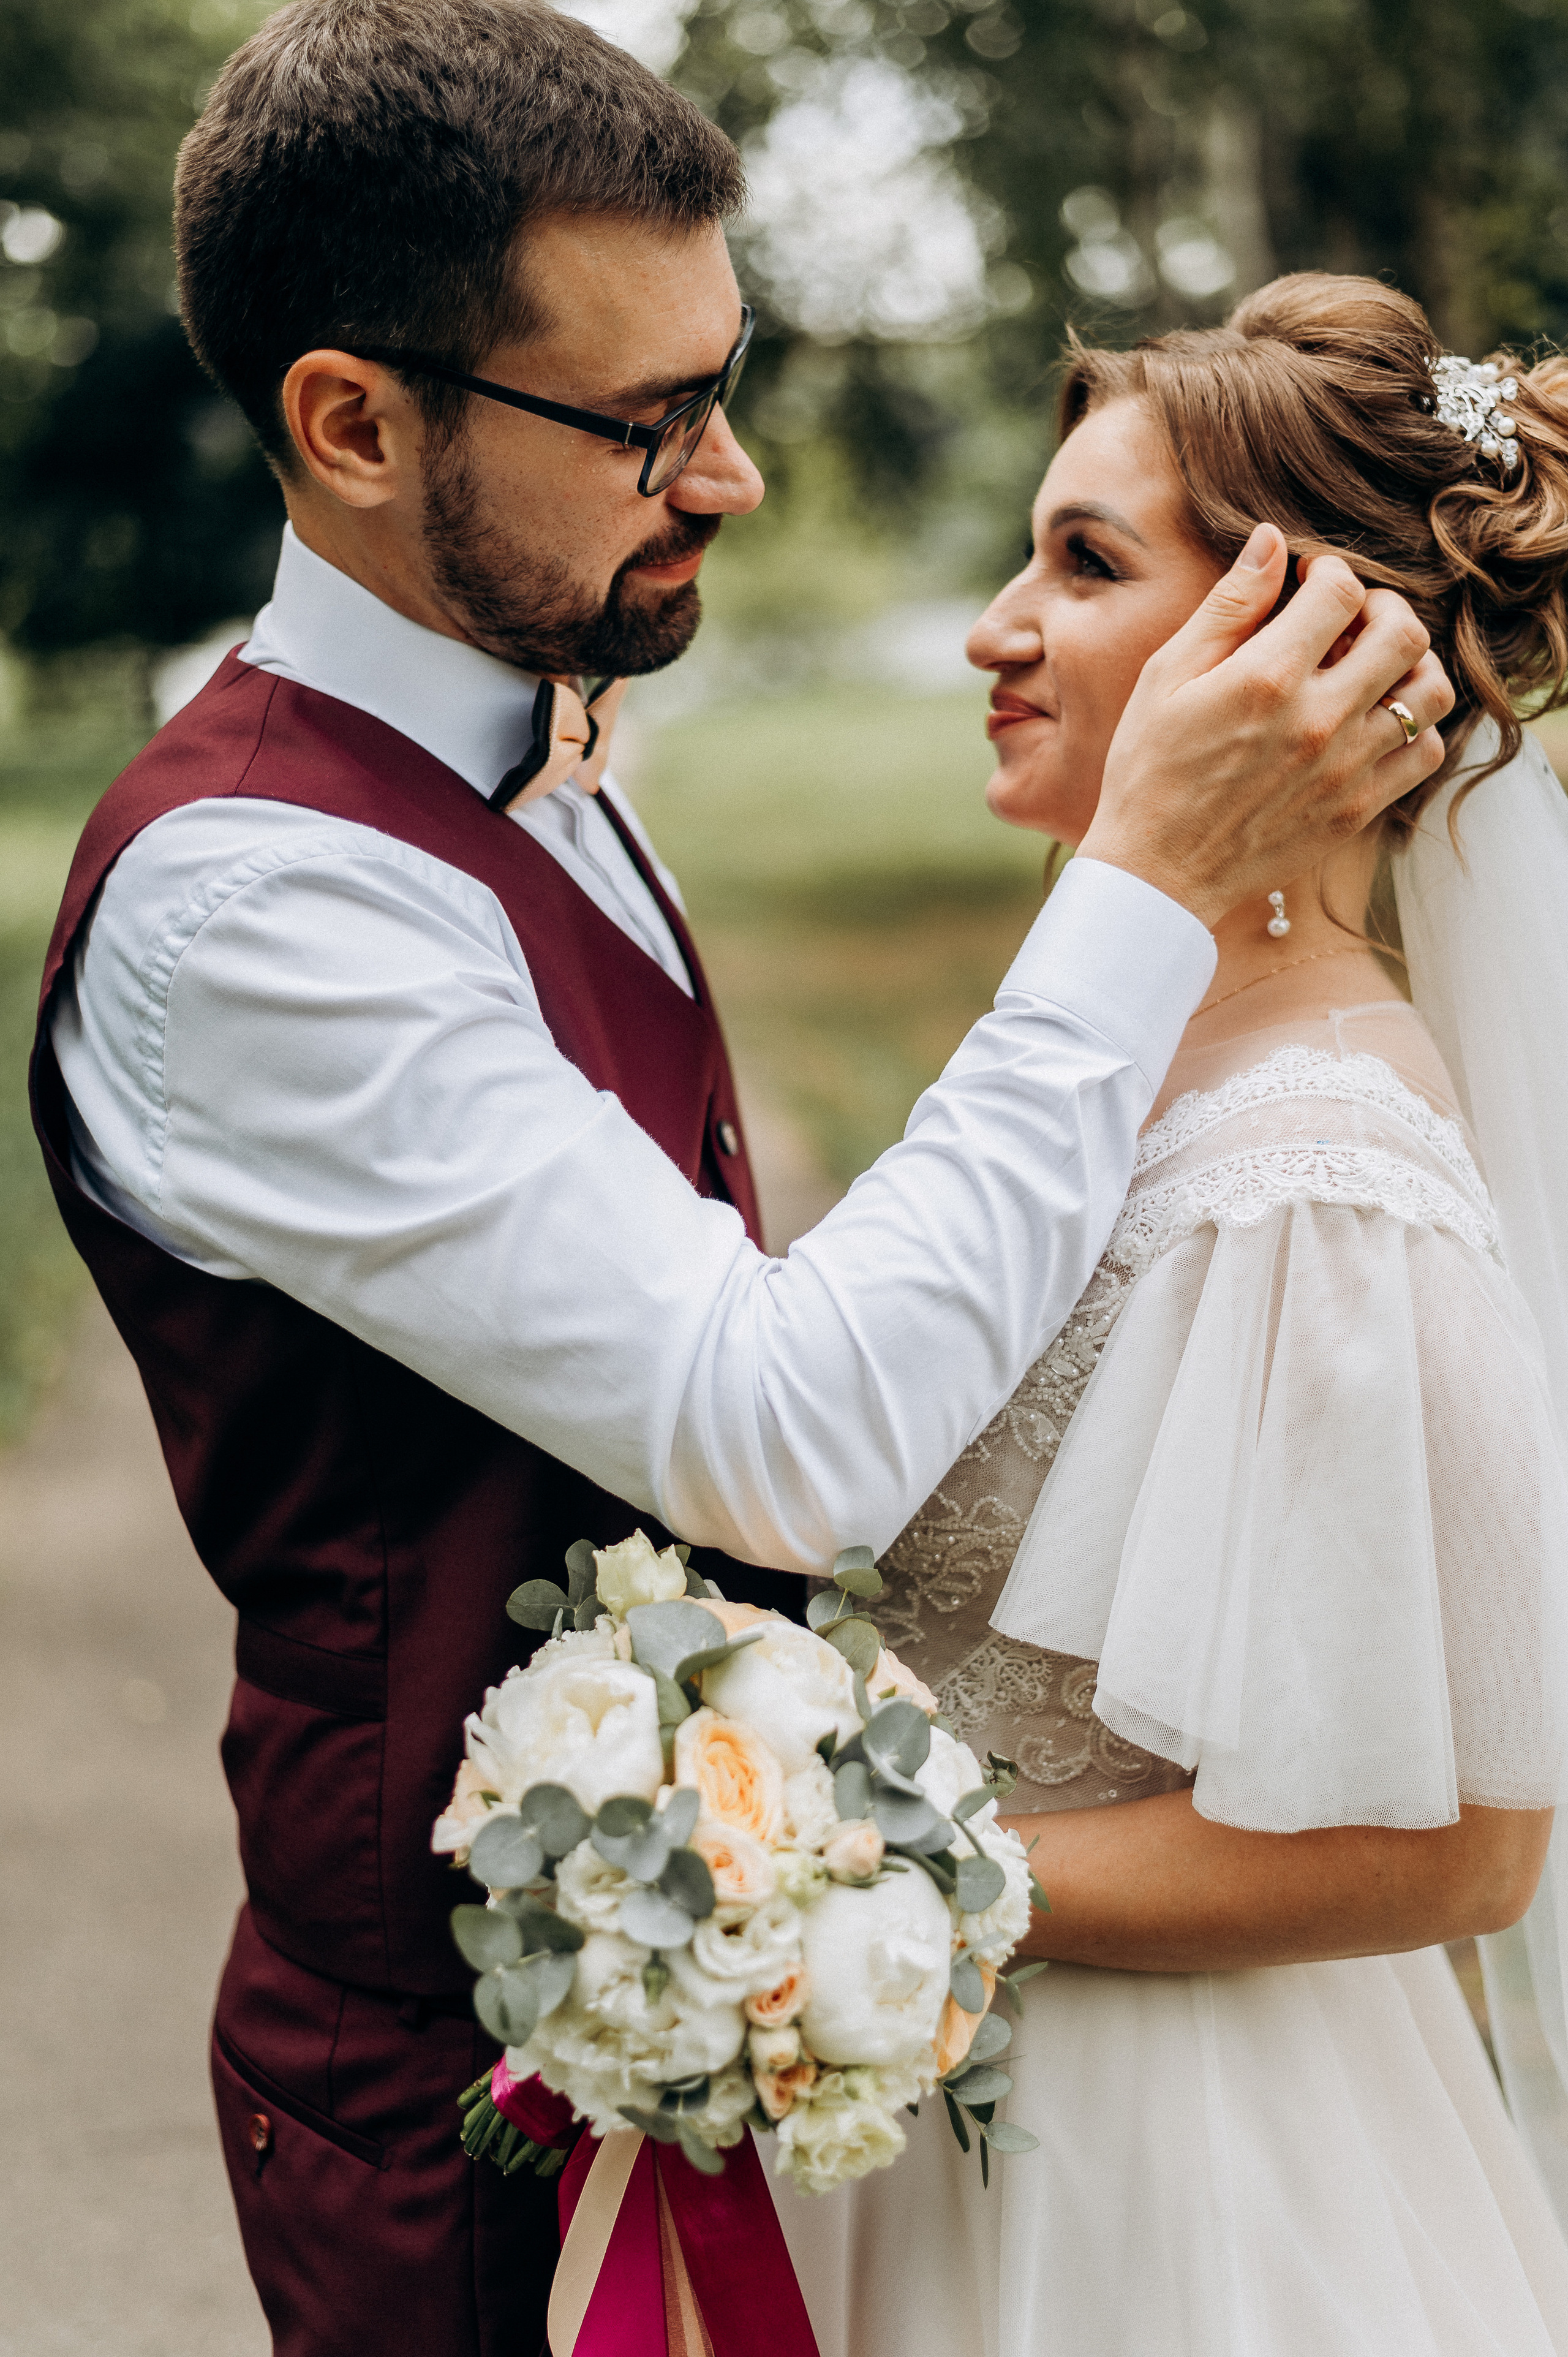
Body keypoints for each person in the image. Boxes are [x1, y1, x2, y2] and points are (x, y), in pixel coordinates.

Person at [28, 0, 1447, 2346]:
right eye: (649, 418)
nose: (735, 474)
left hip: (736, 2051)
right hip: (465, 2128)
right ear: (354, 424)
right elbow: (783, 1433)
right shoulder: (250, 907)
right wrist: (1149, 880)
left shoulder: (549, 728)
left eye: (729, 378)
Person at [771, 272, 1568, 2357]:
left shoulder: (1322, 1160)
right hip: (968, 2107)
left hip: (1180, 2192)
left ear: (1295, 640)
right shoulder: (1142, 1061)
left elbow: (1466, 1848)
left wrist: (854, 1873)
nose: (991, 625)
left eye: (1083, 560)